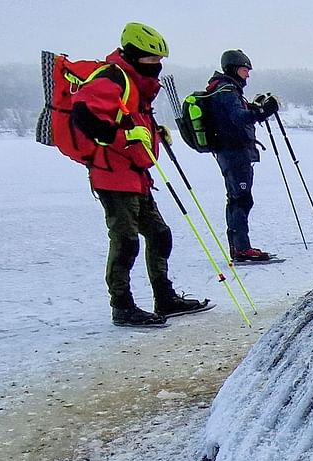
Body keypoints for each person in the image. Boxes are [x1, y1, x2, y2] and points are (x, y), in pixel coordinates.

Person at [70, 22, 210, 327]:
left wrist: (154, 133)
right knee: (125, 241)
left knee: (160, 235)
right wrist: (122, 137)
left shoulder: (136, 83)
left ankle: (164, 297)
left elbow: (130, 118)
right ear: (134, 55)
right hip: (113, 177)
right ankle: (122, 305)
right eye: (151, 59)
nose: (156, 66)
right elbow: (84, 114)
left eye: (159, 60)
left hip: (137, 175)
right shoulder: (112, 77)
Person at [206, 49, 280, 262]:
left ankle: (238, 246)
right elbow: (238, 118)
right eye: (244, 69)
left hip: (230, 151)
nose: (247, 74)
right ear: (233, 69)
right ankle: (241, 248)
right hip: (234, 153)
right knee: (241, 199)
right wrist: (262, 112)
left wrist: (253, 107)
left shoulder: (224, 89)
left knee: (237, 199)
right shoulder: (226, 91)